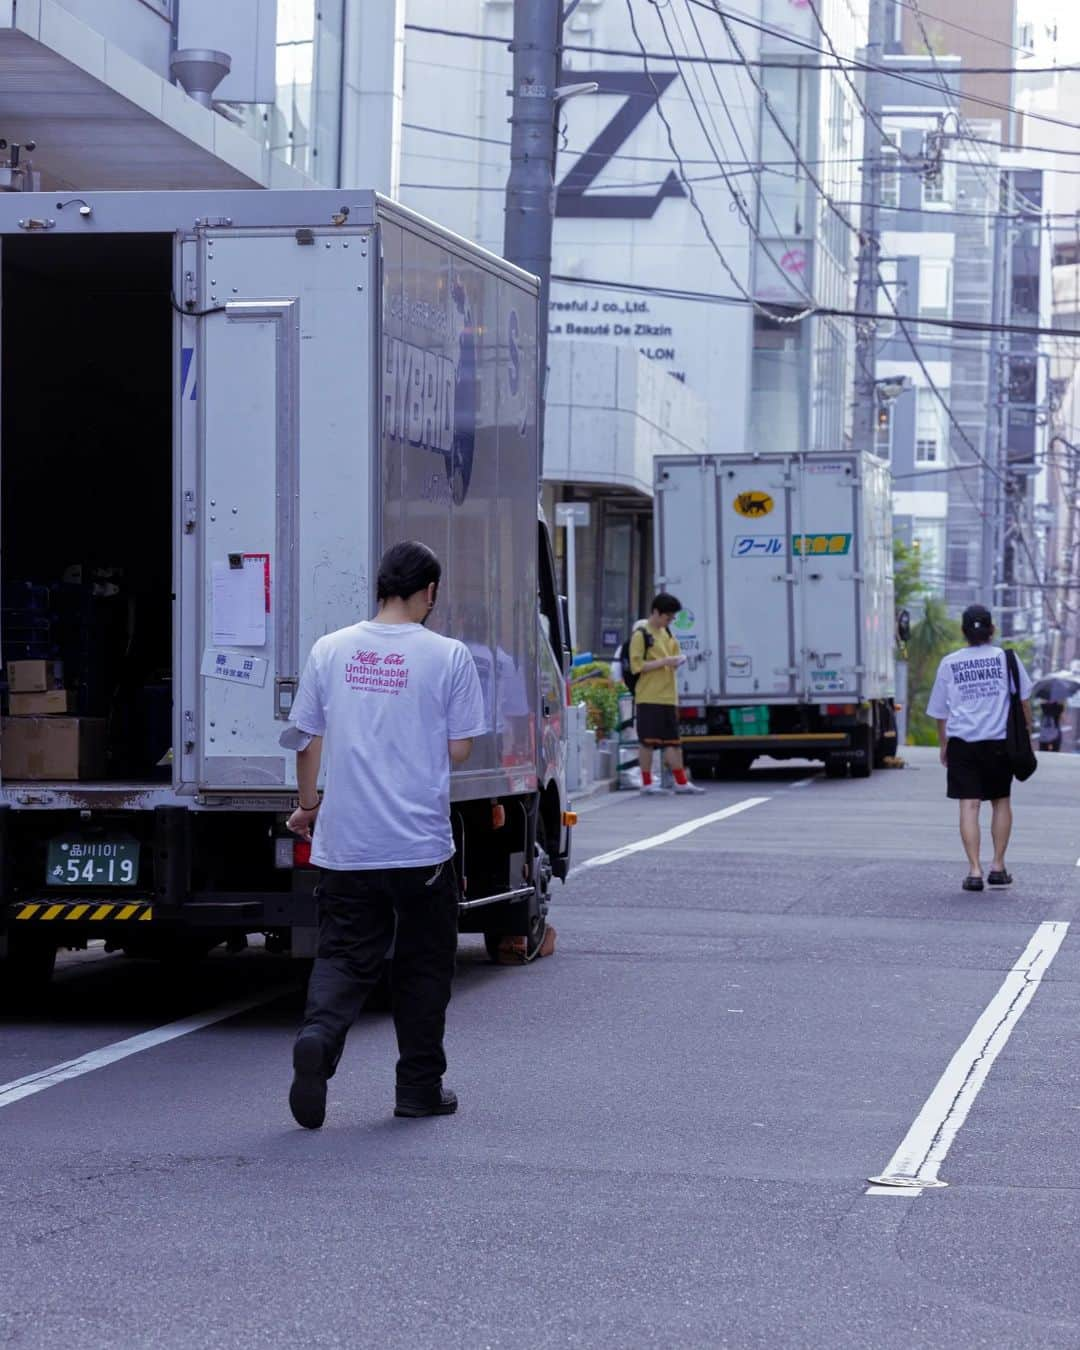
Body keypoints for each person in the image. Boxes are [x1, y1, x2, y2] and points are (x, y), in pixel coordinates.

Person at [284, 541, 486, 1129]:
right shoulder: (448, 656)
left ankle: (319, 1038)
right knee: (423, 966)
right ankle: (418, 1090)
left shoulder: (330, 649)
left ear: (379, 588)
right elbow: (459, 747)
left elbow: (305, 738)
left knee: (344, 954)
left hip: (347, 842)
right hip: (420, 844)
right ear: (430, 593)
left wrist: (306, 806)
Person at [926, 604, 1033, 893]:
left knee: (969, 805)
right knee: (1000, 801)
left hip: (963, 743)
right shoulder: (1005, 659)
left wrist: (944, 743)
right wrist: (1028, 735)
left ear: (963, 631)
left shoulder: (950, 663)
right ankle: (998, 867)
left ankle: (974, 871)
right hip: (999, 742)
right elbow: (1023, 701)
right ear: (992, 630)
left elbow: (940, 711)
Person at [628, 592, 705, 796]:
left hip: (669, 696)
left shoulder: (667, 633)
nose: (669, 621)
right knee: (648, 742)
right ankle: (647, 783)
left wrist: (677, 660)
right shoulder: (641, 634)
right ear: (656, 612)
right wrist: (665, 662)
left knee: (673, 742)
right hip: (648, 696)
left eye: (671, 618)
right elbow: (636, 666)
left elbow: (672, 656)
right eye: (667, 617)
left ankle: (681, 781)